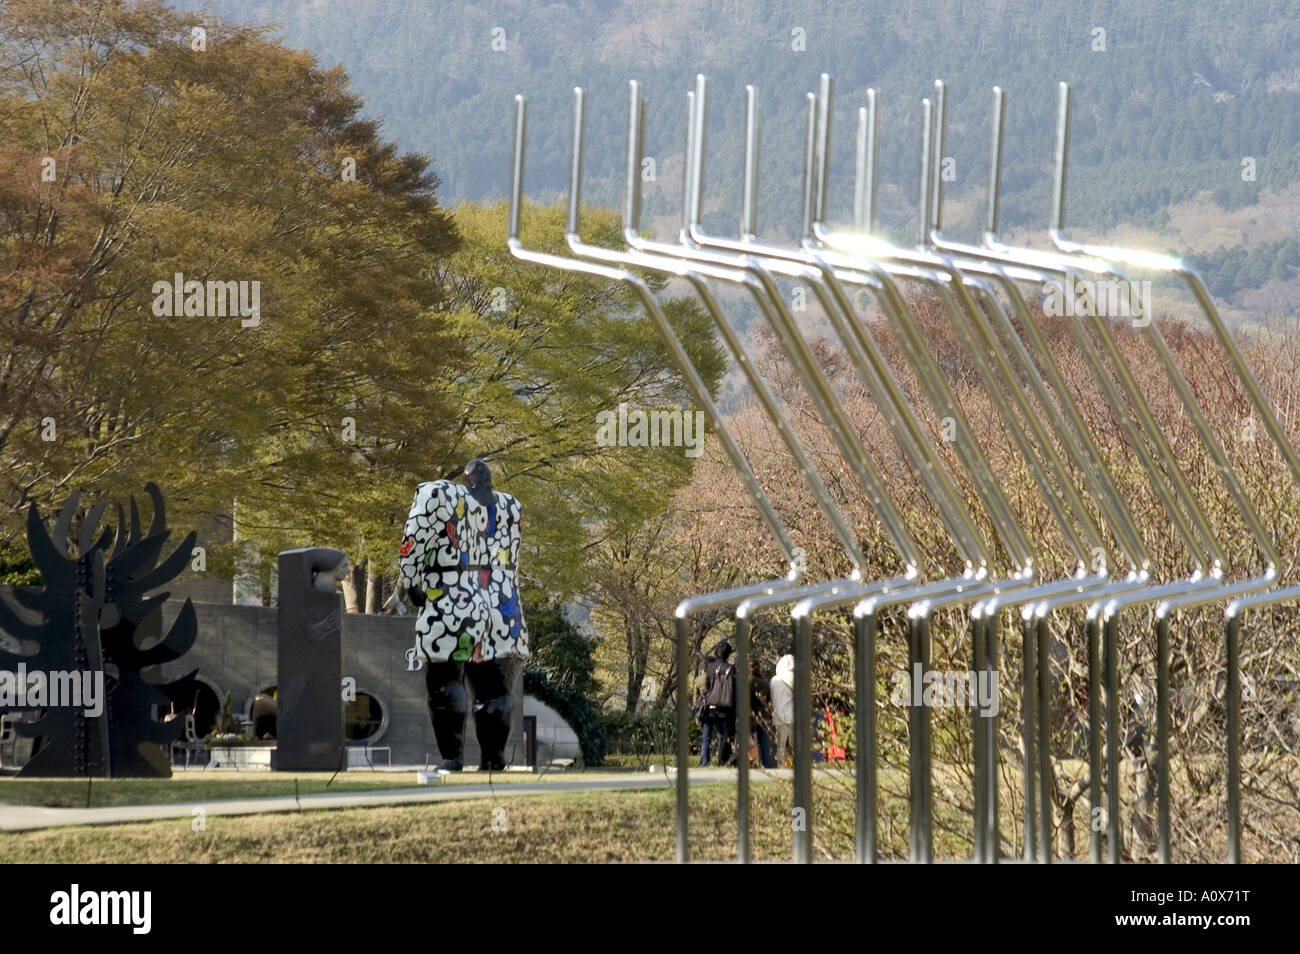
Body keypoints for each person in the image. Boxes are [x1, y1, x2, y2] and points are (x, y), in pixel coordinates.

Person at [697, 639, 737, 767]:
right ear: (728, 654)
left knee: (706, 737)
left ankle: (704, 762)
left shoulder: (710, 667)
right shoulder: (731, 669)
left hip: (710, 705)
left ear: (716, 652)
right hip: (725, 706)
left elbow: (707, 687)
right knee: (724, 736)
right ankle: (722, 761)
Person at [750, 659, 776, 769]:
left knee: (752, 743)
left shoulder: (748, 682)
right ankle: (768, 765)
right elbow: (770, 700)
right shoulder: (765, 683)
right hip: (765, 716)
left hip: (752, 716)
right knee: (765, 743)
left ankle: (754, 765)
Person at [770, 654, 794, 767]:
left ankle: (782, 766)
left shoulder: (774, 680)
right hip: (793, 716)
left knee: (781, 745)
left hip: (779, 717)